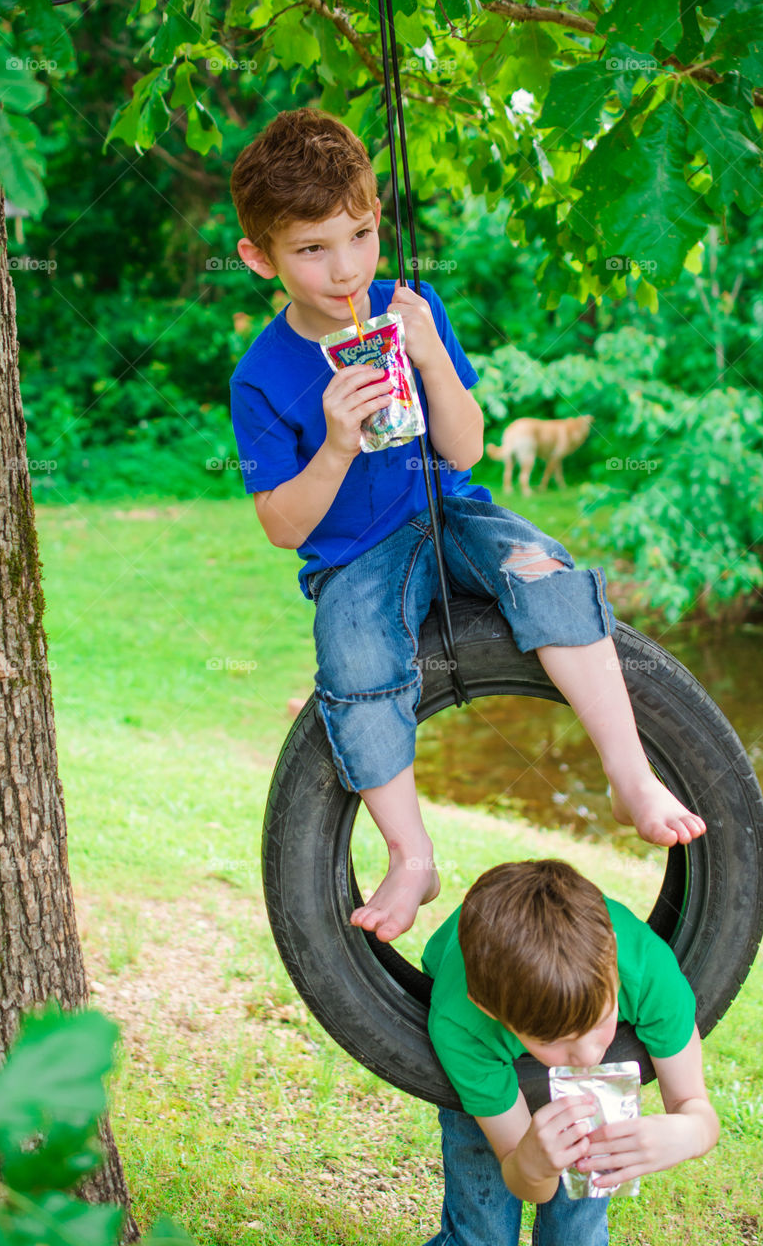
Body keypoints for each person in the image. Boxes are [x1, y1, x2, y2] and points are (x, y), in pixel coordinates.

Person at [228, 107, 706, 943]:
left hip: (450, 510)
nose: (345, 268)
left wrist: (434, 361)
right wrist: (337, 444)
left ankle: (629, 774)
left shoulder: (410, 309)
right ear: (258, 256)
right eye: (311, 249)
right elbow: (278, 523)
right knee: (353, 661)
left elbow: (466, 443)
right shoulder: (260, 376)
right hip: (356, 559)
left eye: (361, 235)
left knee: (545, 573)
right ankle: (410, 854)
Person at [422, 859, 719, 1246]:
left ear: (614, 966)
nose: (588, 1058)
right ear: (490, 1011)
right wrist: (532, 1164)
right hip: (489, 1055)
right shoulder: (462, 1024)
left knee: (578, 1235)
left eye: (600, 1024)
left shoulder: (648, 969)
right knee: (481, 1234)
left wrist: (691, 1132)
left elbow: (693, 1102)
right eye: (555, 1040)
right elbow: (526, 1179)